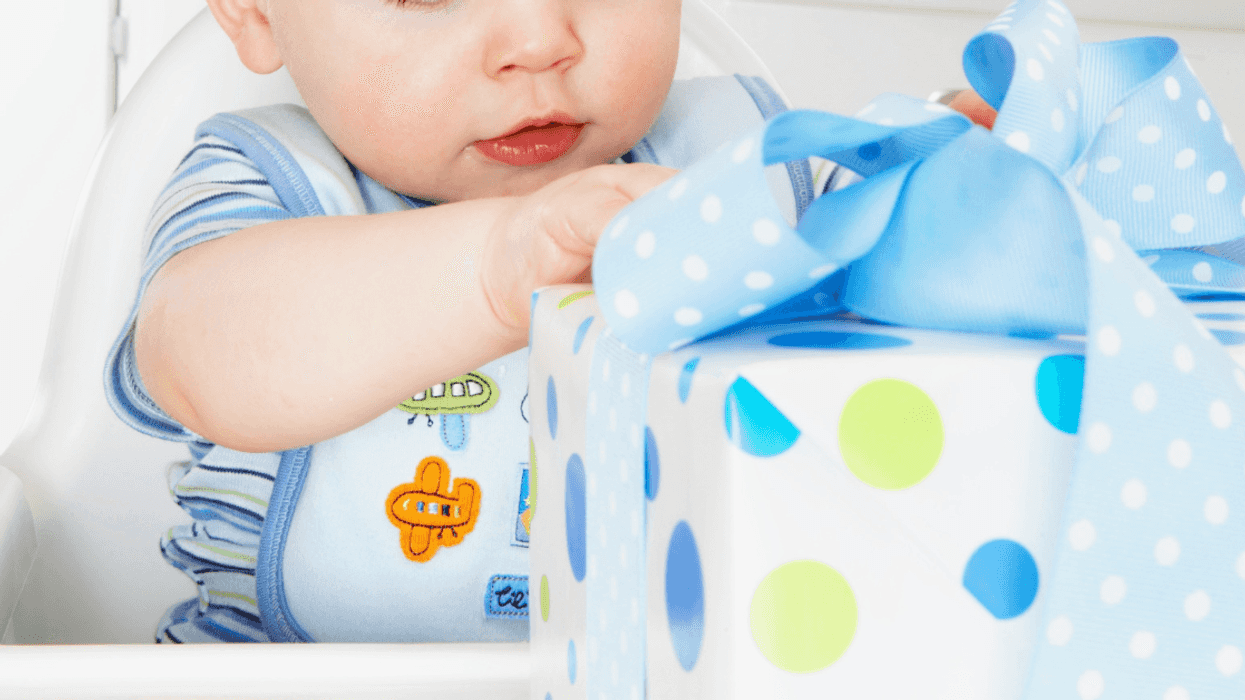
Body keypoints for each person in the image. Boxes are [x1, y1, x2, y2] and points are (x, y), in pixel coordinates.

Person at [106, 0, 995, 643]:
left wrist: (964, 171)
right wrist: (498, 269)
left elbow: (923, 285)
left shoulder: (746, 165)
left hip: (665, 665)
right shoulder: (269, 183)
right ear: (254, 13)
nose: (539, 39)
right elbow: (198, 358)